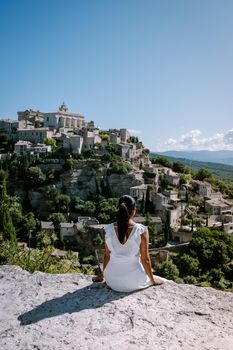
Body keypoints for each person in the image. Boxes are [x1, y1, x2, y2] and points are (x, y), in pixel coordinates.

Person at [93, 194, 165, 292]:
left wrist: (102, 275)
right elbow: (145, 260)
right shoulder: (141, 230)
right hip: (133, 281)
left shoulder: (108, 229)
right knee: (159, 279)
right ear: (134, 210)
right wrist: (152, 280)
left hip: (112, 280)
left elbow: (107, 256)